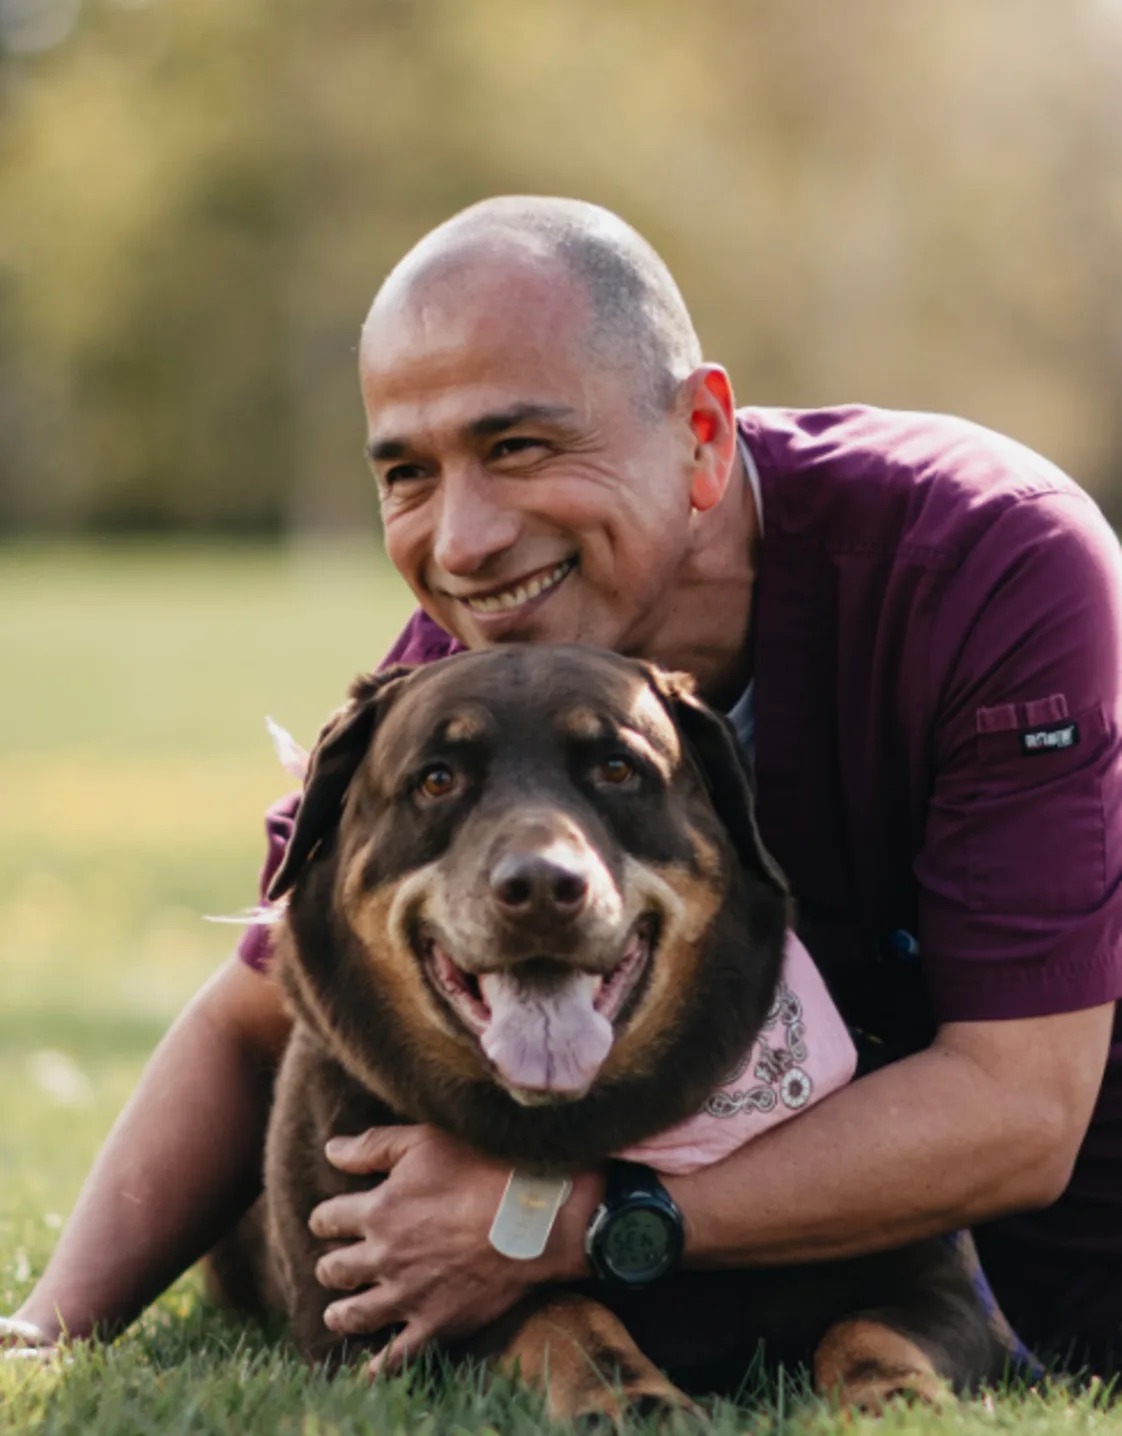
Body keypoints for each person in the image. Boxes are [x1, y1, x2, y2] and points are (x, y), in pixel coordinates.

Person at [6, 196, 1122, 1373]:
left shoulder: (993, 564)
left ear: (700, 434)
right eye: (407, 472)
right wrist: (47, 1330)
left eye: (518, 446)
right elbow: (253, 1016)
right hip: (760, 1288)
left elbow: (1022, 1106)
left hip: (1062, 1255)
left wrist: (562, 1222)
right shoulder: (484, 665)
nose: (466, 539)